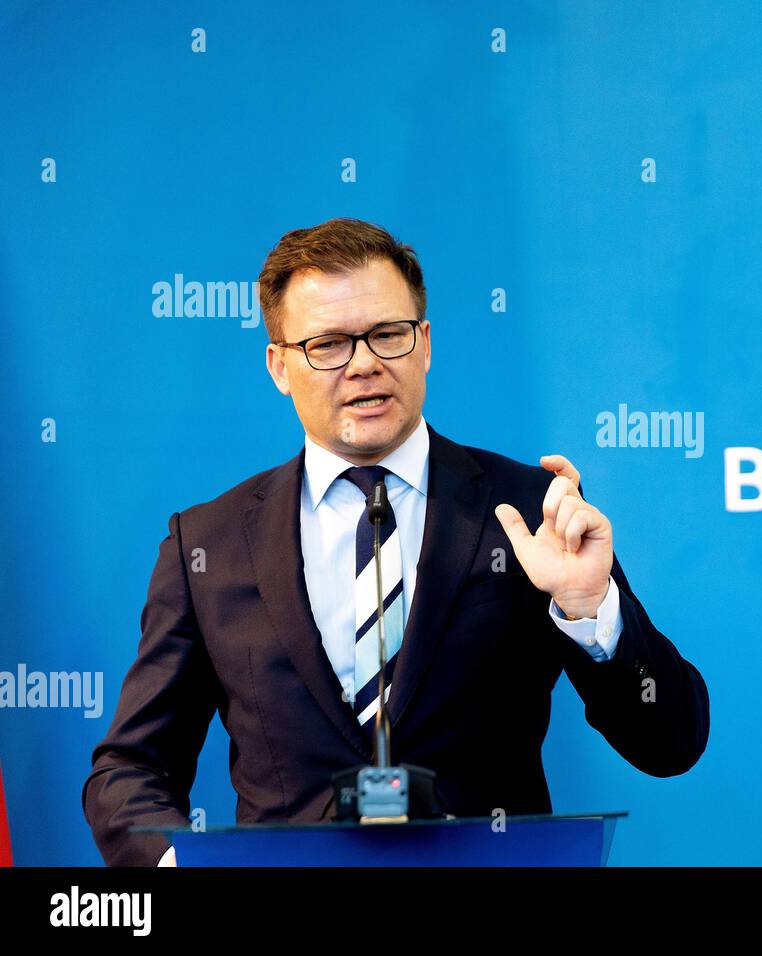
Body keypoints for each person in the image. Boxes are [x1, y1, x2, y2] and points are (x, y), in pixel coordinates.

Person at [82, 218, 710, 866]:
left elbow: (672, 740)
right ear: (279, 365)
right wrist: (176, 866)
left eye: (387, 334)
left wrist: (590, 606)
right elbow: (129, 769)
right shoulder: (207, 545)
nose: (363, 365)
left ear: (426, 343)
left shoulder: (529, 509)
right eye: (327, 344)